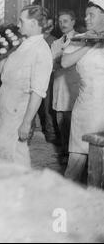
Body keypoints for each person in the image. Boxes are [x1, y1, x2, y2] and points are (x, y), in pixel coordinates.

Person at [0, 5, 53, 166]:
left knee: (15, 155)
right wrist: (3, 53)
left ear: (33, 23)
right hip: (6, 107)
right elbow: (4, 75)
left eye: (21, 21)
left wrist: (26, 122)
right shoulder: (21, 44)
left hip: (19, 111)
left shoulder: (42, 50)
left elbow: (38, 92)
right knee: (1, 153)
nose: (18, 25)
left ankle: (20, 189)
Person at [61, 0, 104, 182]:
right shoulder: (79, 39)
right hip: (84, 107)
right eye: (85, 15)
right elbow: (65, 61)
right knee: (76, 162)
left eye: (91, 15)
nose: (86, 19)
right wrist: (90, 43)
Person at [51, 10, 80, 162]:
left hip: (72, 87)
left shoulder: (80, 40)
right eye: (60, 21)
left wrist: (59, 61)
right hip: (59, 87)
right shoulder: (56, 42)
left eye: (66, 21)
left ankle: (72, 155)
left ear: (73, 22)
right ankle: (64, 150)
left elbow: (69, 62)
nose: (62, 24)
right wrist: (60, 62)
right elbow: (52, 64)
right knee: (60, 120)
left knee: (70, 122)